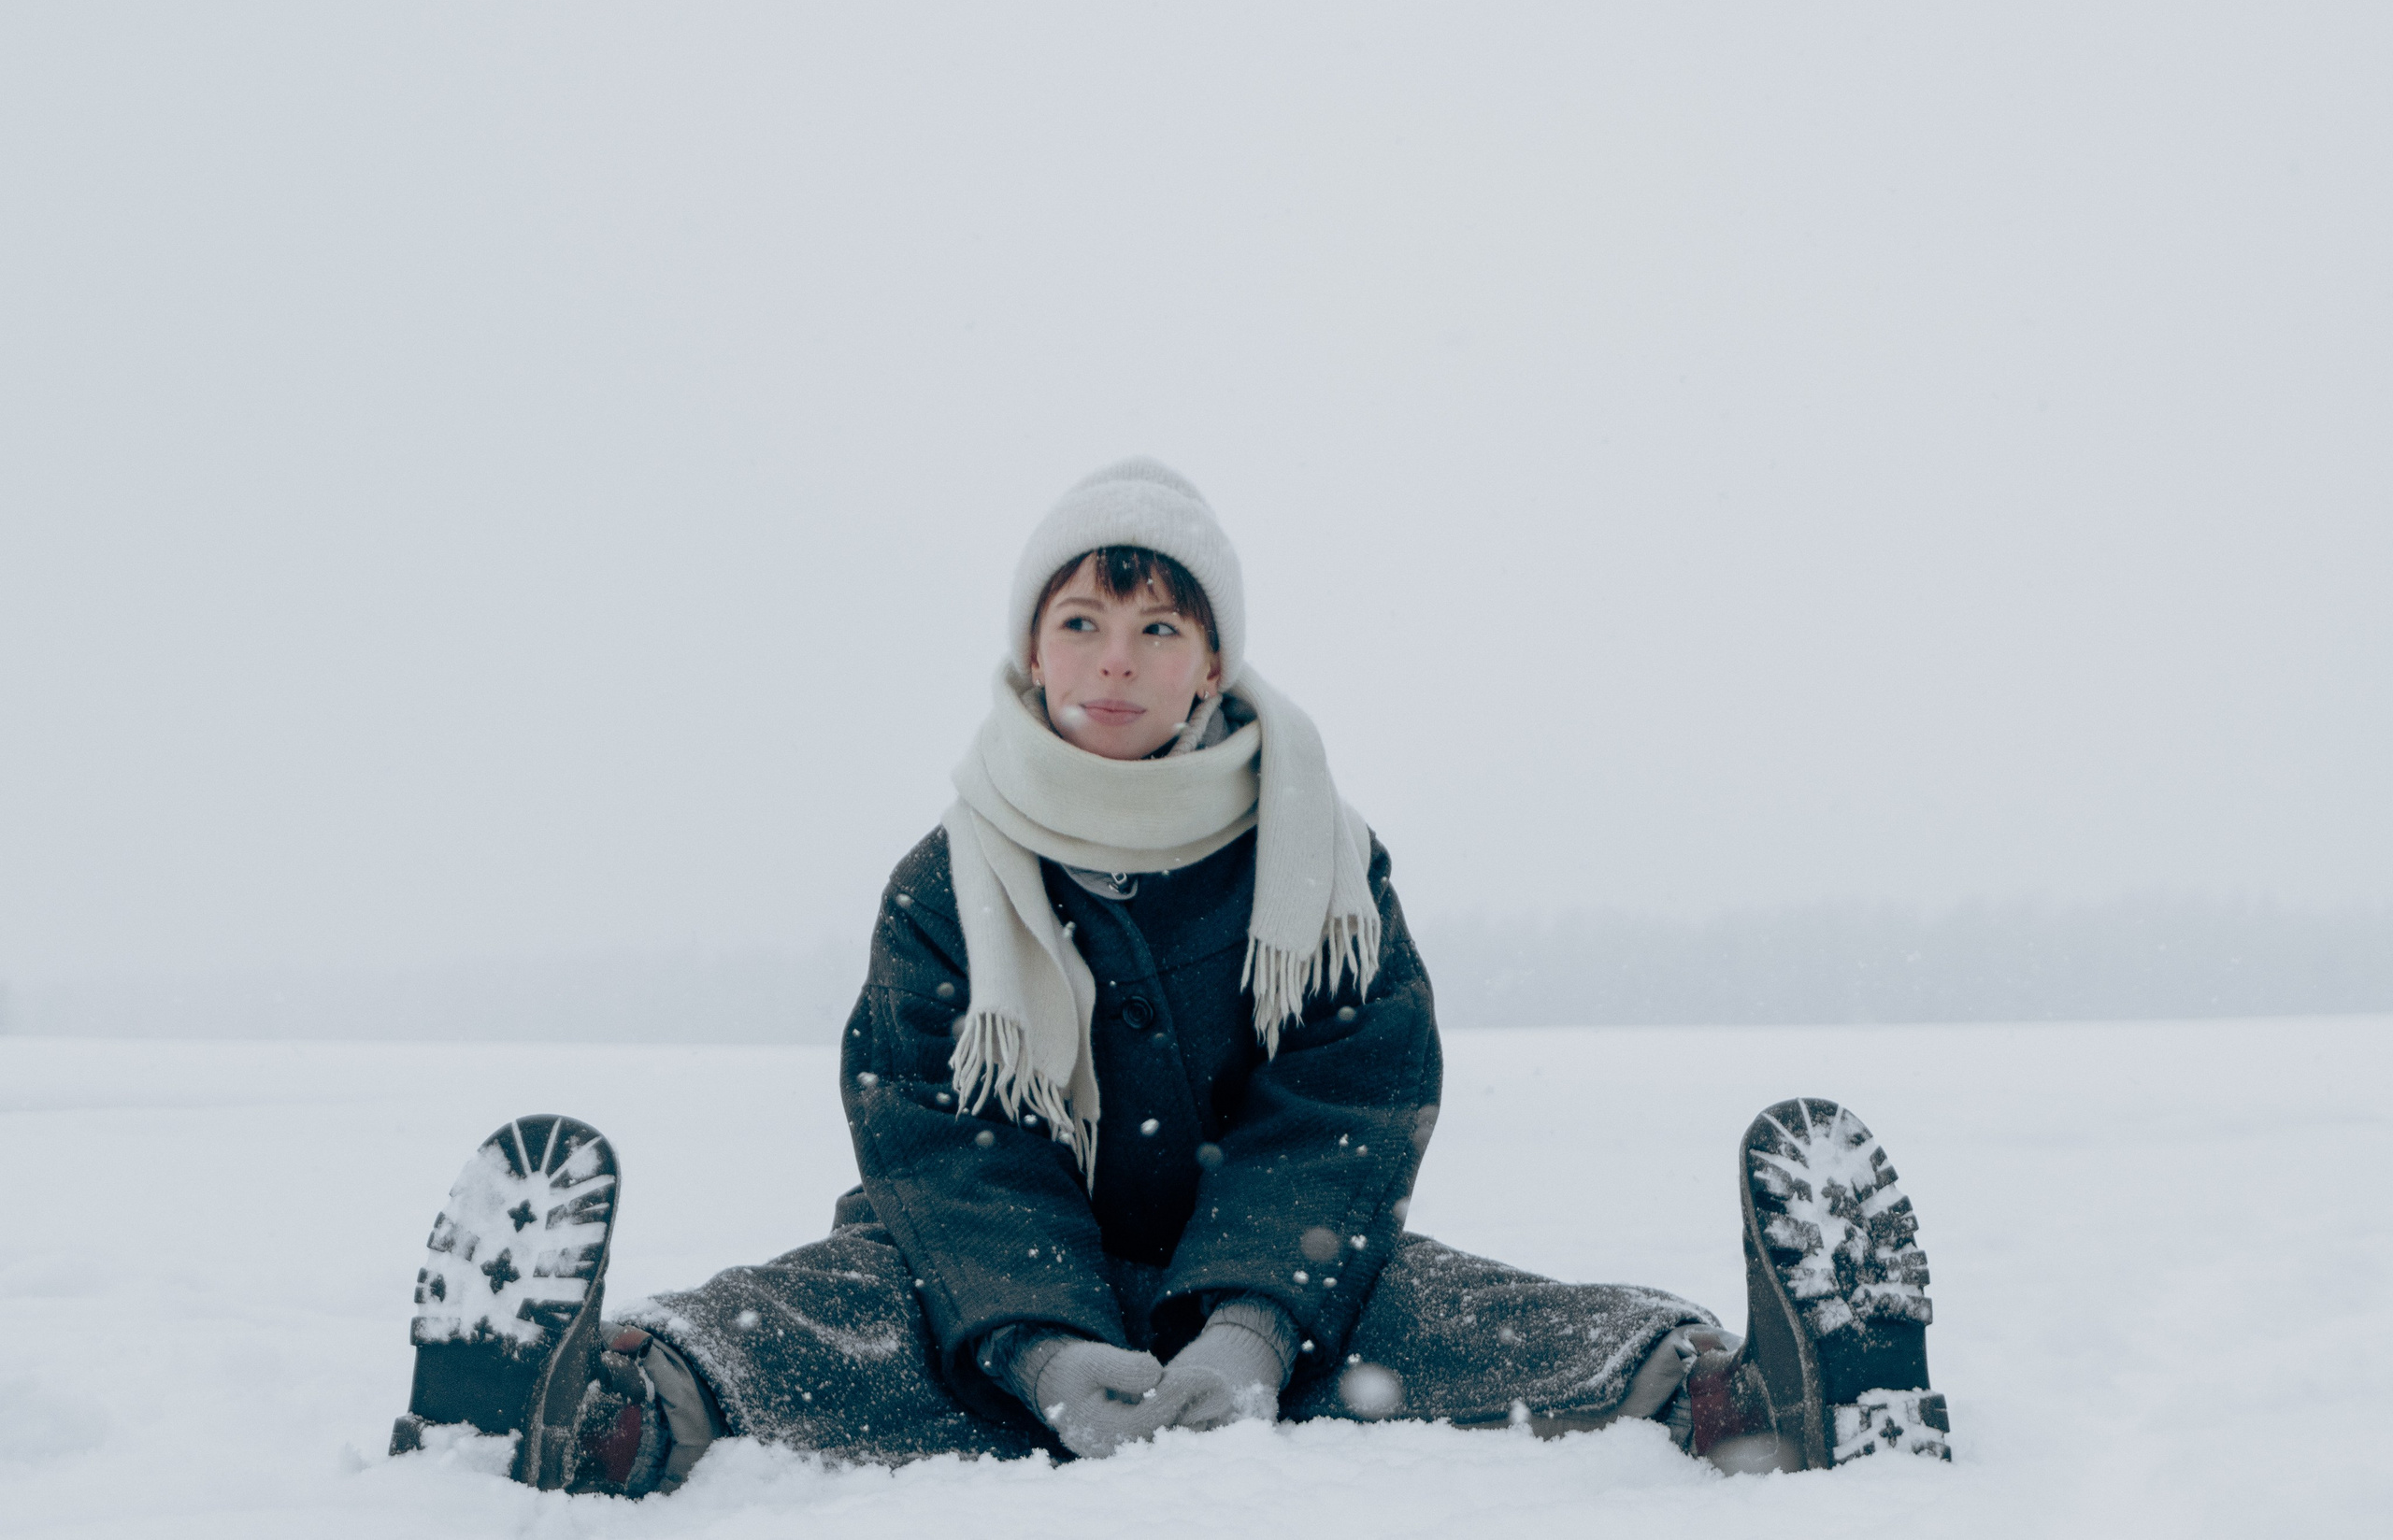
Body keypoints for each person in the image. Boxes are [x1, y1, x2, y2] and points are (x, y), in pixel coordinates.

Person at [388, 459, 1950, 1495]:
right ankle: (594, 1406)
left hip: (1267, 1273)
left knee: (1448, 1311)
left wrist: (1253, 1325)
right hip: (996, 1287)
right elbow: (939, 1145)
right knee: (827, 1308)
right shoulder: (949, 884)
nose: (1116, 657)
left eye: (1157, 623)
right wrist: (1044, 1342)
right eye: (1082, 620)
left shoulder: (1319, 856)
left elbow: (1346, 1103)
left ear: (1214, 662)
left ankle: (1747, 1393)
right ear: (1032, 655)